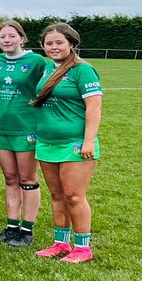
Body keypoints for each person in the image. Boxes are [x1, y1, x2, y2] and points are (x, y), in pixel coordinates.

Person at [31, 23, 102, 264]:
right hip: (47, 142)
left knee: (73, 195)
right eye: (49, 43)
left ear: (71, 44)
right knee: (57, 195)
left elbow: (94, 107)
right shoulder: (47, 69)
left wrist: (88, 141)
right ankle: (61, 243)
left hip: (74, 144)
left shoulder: (83, 70)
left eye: (59, 42)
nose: (53, 47)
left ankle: (83, 247)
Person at [0, 20, 46, 247]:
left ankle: (27, 230)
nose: (7, 40)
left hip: (26, 129)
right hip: (1, 128)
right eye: (3, 37)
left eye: (12, 36)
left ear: (22, 38)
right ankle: (12, 227)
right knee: (10, 179)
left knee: (28, 179)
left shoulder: (36, 61)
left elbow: (50, 87)